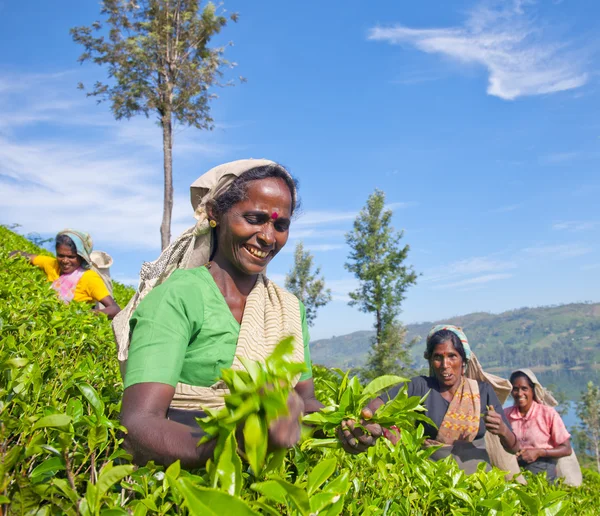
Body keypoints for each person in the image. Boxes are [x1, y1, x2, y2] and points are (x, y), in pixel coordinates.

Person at [116, 159, 323, 469]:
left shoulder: (289, 309)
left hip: (269, 485)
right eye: (254, 219)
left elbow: (305, 404)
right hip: (181, 483)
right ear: (214, 214)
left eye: (280, 225)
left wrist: (344, 427)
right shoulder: (179, 296)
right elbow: (137, 423)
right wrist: (229, 445)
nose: (268, 237)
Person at [351, 325, 520, 473]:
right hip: (432, 481)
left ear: (463, 360)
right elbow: (380, 403)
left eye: (452, 356)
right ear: (431, 360)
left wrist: (502, 429)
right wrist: (368, 416)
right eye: (438, 357)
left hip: (480, 481)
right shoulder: (420, 386)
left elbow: (514, 447)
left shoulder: (482, 392)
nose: (445, 364)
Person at [9, 230, 120, 320]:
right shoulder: (52, 264)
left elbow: (115, 309)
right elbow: (24, 255)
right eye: (61, 255)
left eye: (71, 257)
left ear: (81, 257)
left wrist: (86, 314)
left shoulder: (89, 278)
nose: (65, 261)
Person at [505, 369, 572, 481]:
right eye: (515, 389)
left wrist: (539, 452)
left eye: (524, 388)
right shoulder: (506, 414)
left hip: (543, 470)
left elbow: (566, 449)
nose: (520, 393)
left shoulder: (547, 414)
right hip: (514, 470)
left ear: (533, 390)